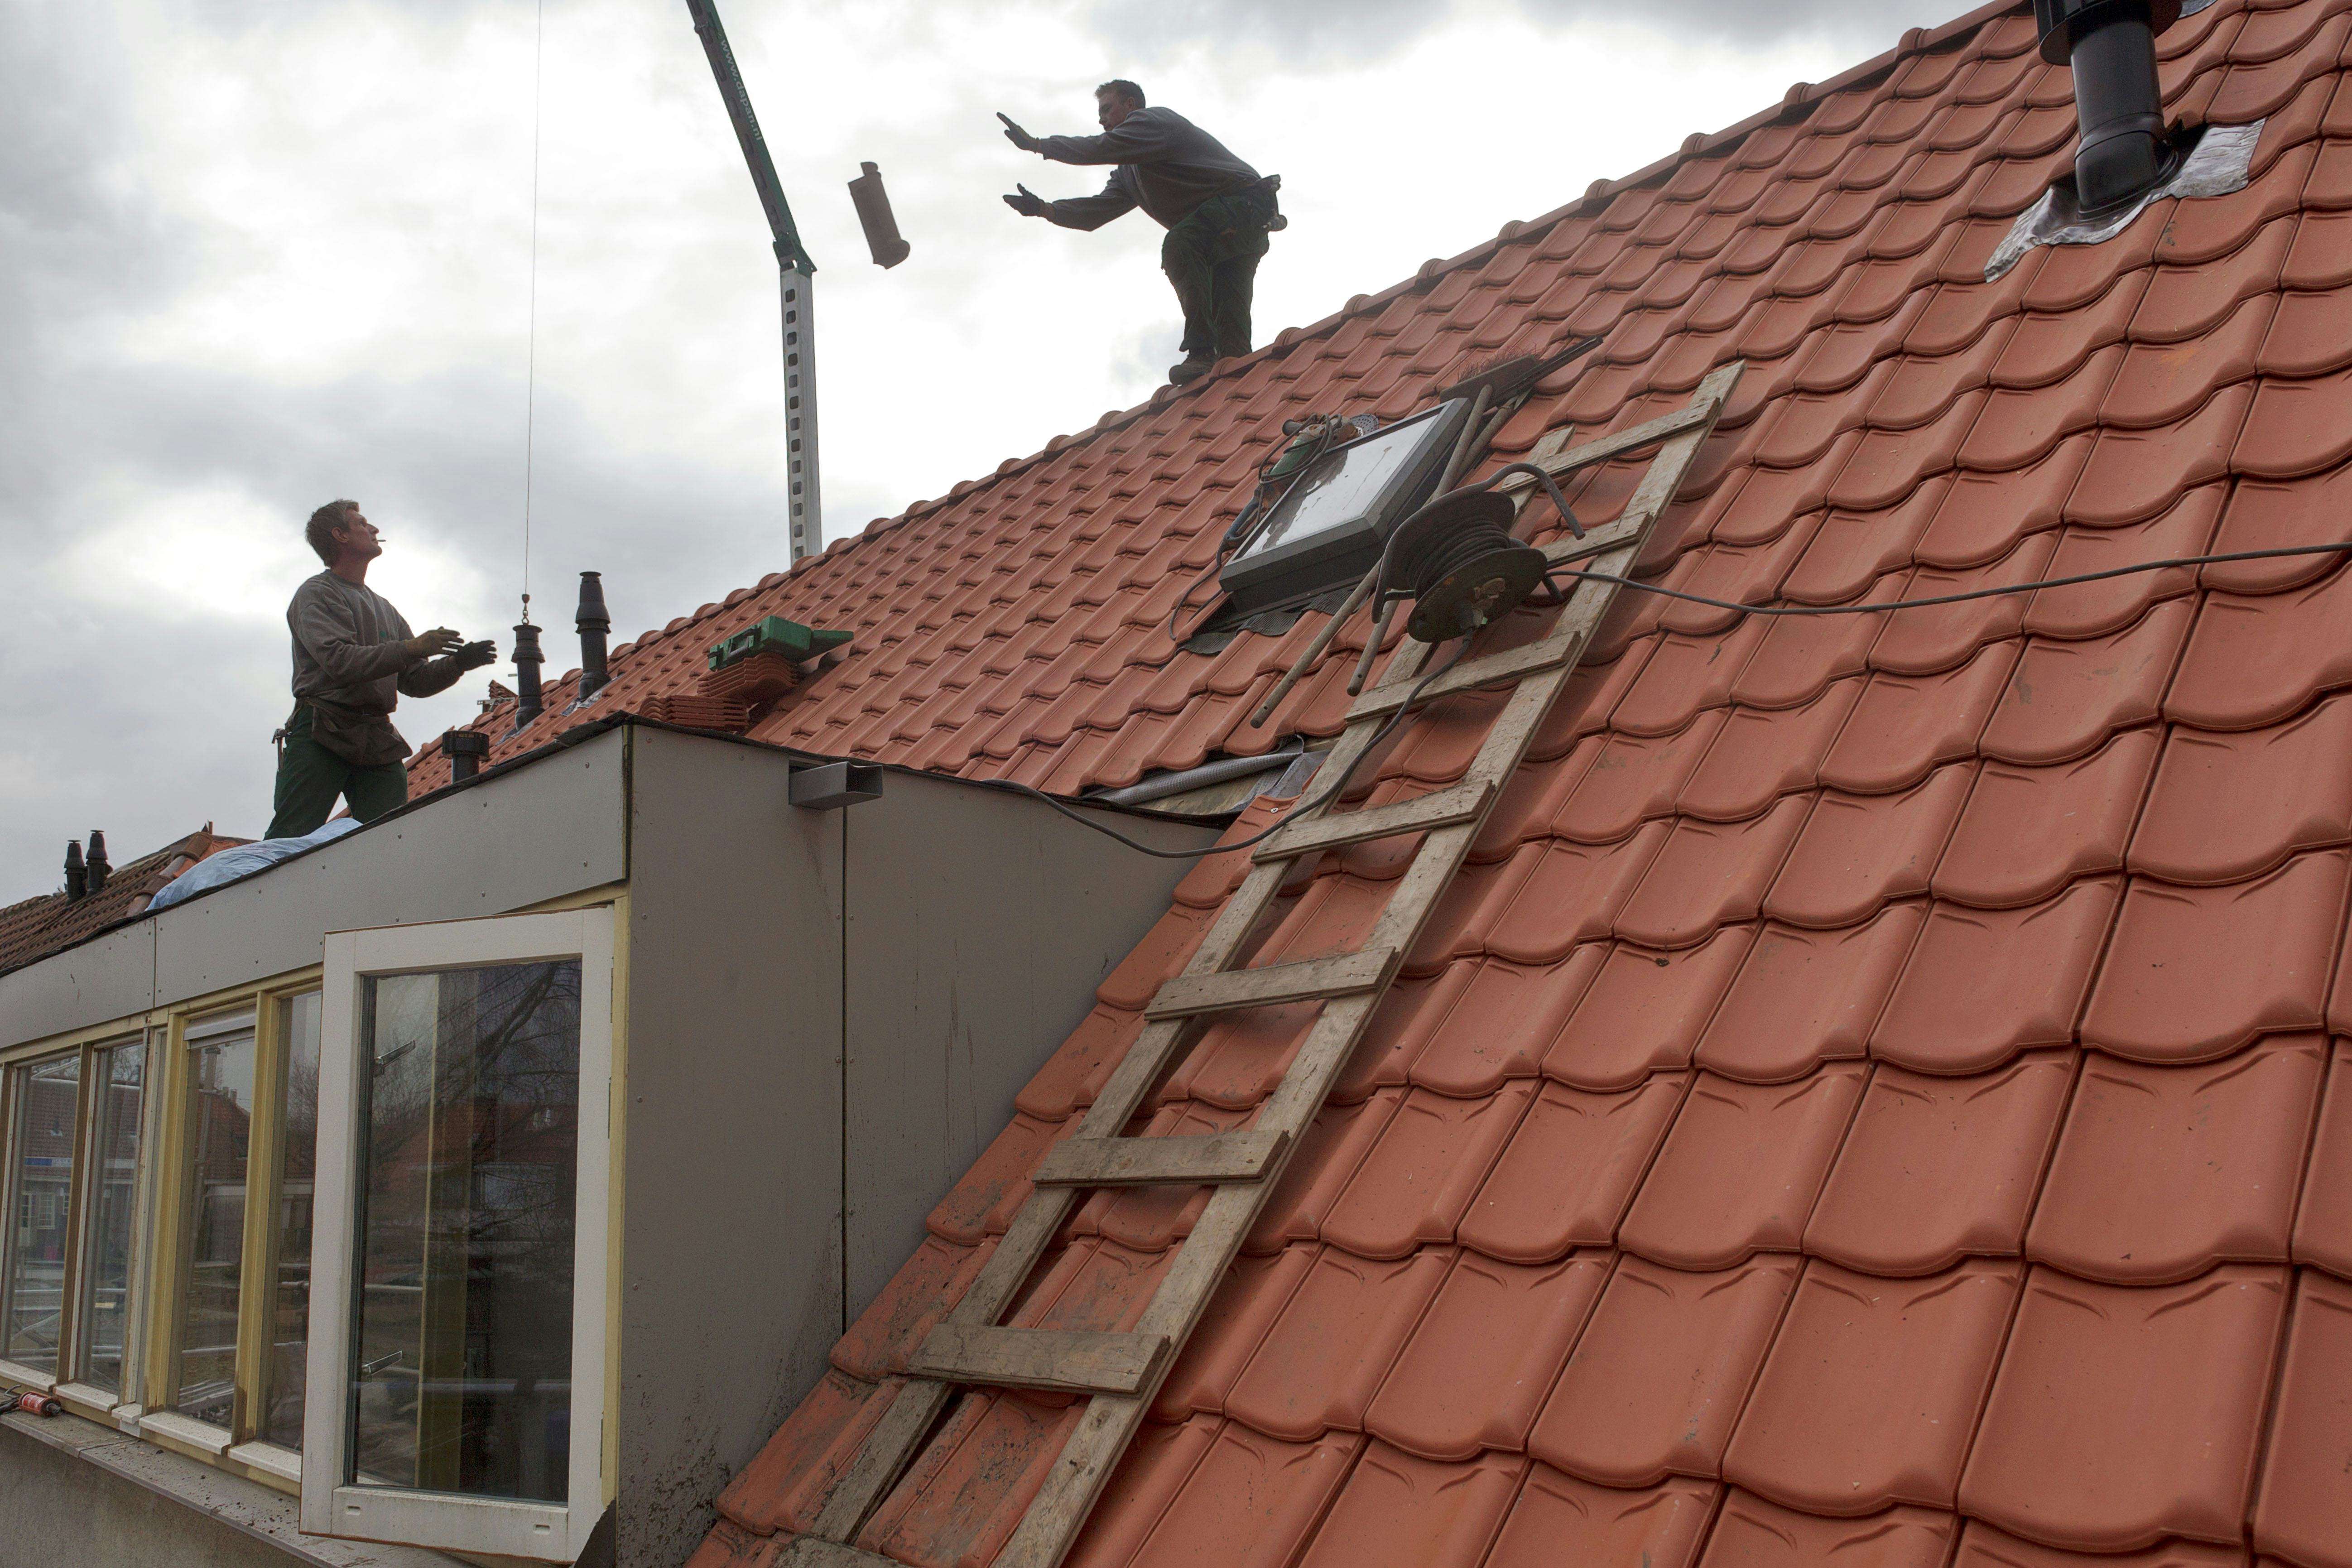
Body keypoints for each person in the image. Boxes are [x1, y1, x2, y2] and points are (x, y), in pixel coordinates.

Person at [999, 81, 1283, 386]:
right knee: (1230, 334)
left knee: (1180, 244)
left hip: (1242, 206)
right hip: (1230, 231)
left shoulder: (1152, 122)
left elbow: (1101, 147)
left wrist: (1039, 145)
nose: (1101, 120)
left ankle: (1201, 351)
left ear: (1131, 105)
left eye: (1107, 109)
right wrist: (1043, 209)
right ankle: (1239, 389)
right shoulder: (1129, 171)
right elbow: (1097, 211)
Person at [265, 499, 494, 839]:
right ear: (340, 535)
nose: (374, 530)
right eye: (362, 523)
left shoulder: (384, 608)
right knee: (289, 841)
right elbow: (339, 661)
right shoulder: (316, 594)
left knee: (391, 838)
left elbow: (415, 681)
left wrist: (457, 664)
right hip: (323, 730)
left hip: (376, 738)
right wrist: (412, 647)